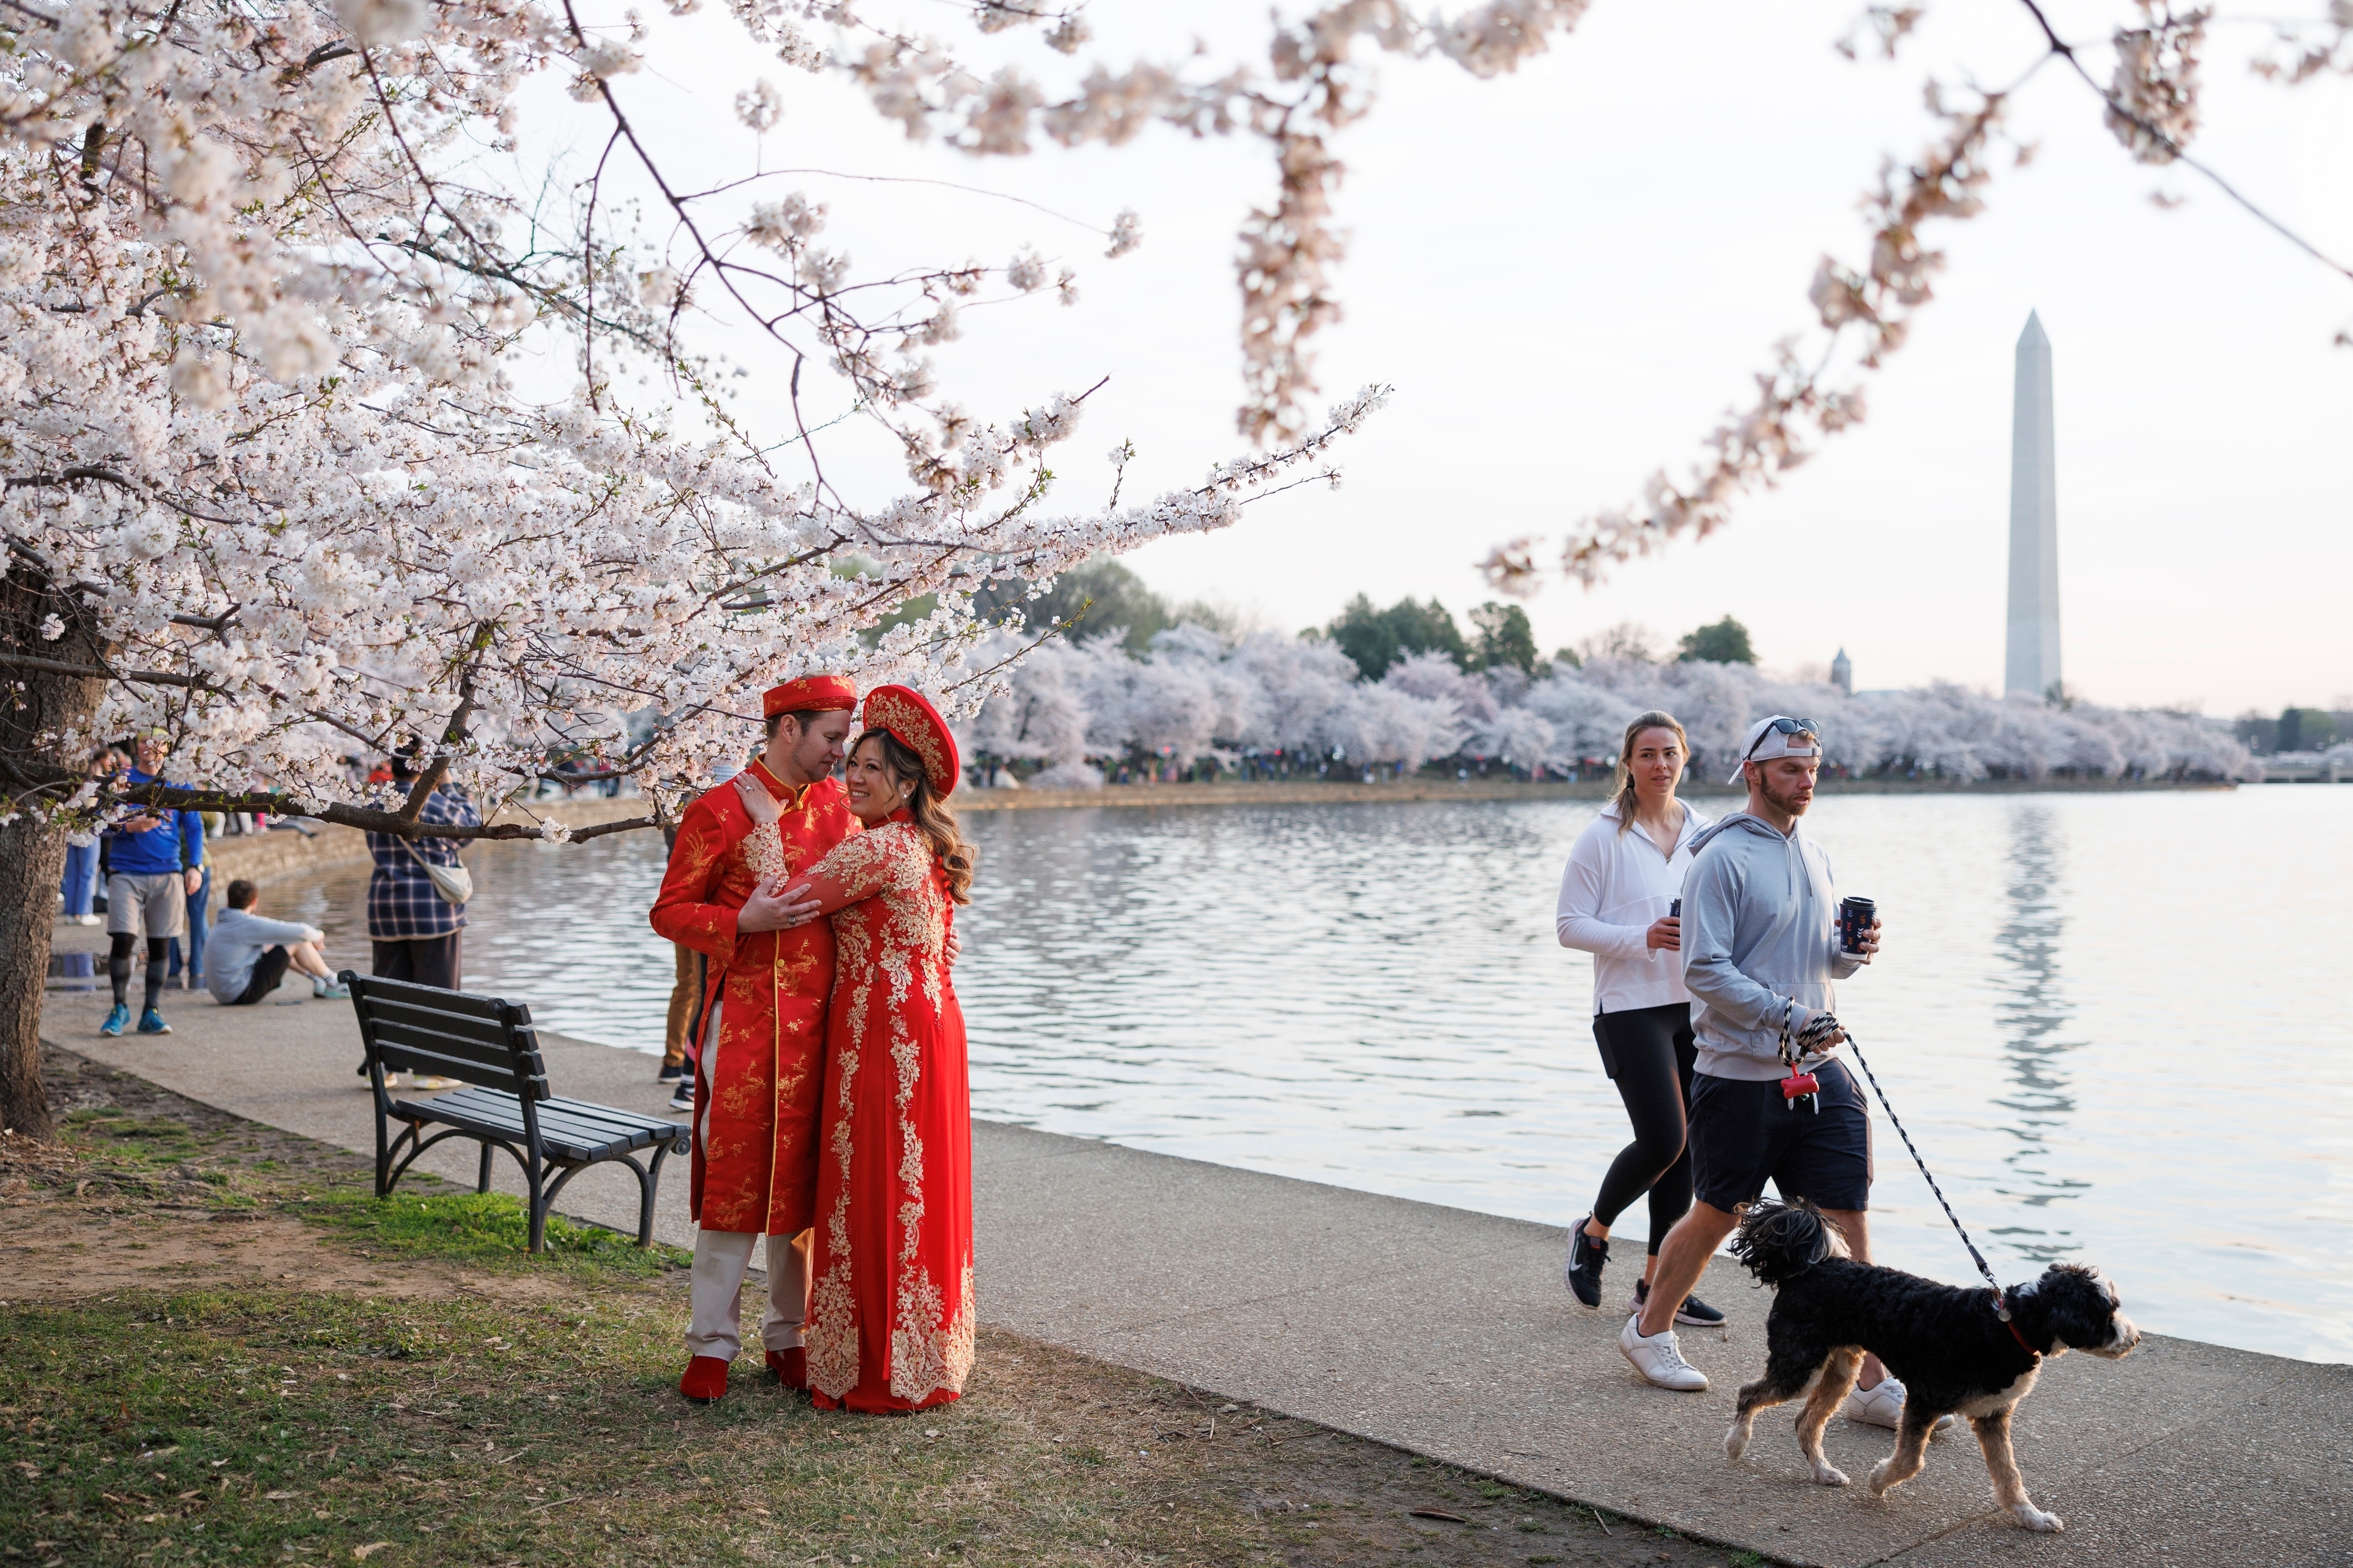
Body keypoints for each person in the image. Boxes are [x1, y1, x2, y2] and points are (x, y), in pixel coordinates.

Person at [1618, 716, 1922, 1433]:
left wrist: (1850, 955)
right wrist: (1785, 1014)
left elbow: (1813, 956)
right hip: (1738, 1072)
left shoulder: (1812, 851)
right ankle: (1648, 1328)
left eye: (1812, 767)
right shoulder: (1719, 858)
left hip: (1819, 1067)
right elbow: (1703, 968)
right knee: (1719, 1210)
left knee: (1847, 1217)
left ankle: (1872, 1379)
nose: (1805, 780)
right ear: (1752, 773)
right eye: (1789, 769)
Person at [653, 676, 864, 1406]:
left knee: (803, 1181)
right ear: (787, 729)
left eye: (846, 738)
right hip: (741, 1020)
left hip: (826, 1024)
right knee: (734, 1175)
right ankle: (710, 1343)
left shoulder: (841, 808)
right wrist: (742, 920)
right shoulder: (716, 810)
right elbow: (669, 910)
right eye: (832, 737)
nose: (842, 752)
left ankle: (790, 1334)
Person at [776, 685, 976, 1413]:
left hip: (884, 1034)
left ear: (907, 780)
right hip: (921, 1023)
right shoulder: (917, 846)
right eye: (850, 762)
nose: (850, 776)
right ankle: (920, 1347)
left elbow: (793, 897)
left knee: (879, 1180)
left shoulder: (881, 847)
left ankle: (877, 1360)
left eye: (869, 766)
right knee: (908, 1179)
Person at [1556, 711, 1722, 1329]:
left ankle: (1658, 1285)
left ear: (1686, 757)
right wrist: (1643, 936)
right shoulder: (1601, 836)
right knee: (1663, 1138)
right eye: (1646, 753)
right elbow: (1569, 926)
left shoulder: (1706, 833)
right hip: (1628, 1006)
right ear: (1627, 762)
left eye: (1669, 752)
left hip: (1697, 1005)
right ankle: (1592, 1232)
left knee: (1687, 1153)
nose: (1659, 763)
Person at [99, 737, 205, 1037]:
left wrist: (194, 866)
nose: (151, 747)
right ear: (137, 746)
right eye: (145, 741)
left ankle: (152, 1012)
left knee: (161, 943)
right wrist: (128, 826)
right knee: (123, 938)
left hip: (167, 873)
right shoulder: (121, 781)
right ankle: (119, 1008)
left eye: (158, 742)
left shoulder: (179, 782)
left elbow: (194, 827)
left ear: (168, 748)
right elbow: (97, 821)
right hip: (125, 872)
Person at [364, 751, 480, 992]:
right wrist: (448, 787)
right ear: (426, 768)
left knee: (392, 995)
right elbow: (472, 829)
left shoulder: (375, 803)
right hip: (433, 910)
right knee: (439, 996)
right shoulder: (435, 803)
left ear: (392, 767)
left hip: (386, 909)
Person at [207, 880, 348, 1005]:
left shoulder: (222, 922)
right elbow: (303, 932)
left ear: (229, 900)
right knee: (297, 941)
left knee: (276, 944)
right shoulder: (246, 924)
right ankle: (334, 982)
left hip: (223, 994)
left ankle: (318, 979)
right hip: (240, 994)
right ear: (254, 902)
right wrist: (318, 936)